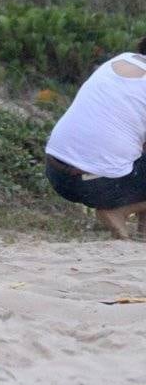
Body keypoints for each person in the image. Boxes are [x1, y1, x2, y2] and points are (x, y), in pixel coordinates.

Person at [45, 38, 146, 239]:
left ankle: (142, 234)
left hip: (57, 174)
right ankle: (119, 211)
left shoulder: (122, 59)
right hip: (98, 186)